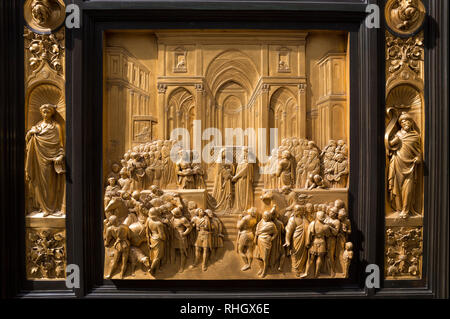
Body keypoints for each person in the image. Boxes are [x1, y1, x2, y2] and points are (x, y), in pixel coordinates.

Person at [25, 103, 65, 216]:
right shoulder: (37, 126)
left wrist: (60, 156)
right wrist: (30, 133)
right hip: (37, 159)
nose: (46, 114)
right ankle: (41, 207)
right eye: (44, 112)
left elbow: (61, 145)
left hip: (51, 159)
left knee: (49, 184)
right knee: (38, 183)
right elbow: (28, 141)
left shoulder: (56, 126)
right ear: (41, 113)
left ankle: (50, 208)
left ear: (52, 113)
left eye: (48, 111)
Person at [387, 112, 422, 218]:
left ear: (411, 122)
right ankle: (399, 208)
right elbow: (389, 145)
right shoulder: (398, 134)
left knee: (408, 187)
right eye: (402, 121)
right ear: (400, 124)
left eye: (407, 121)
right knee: (397, 187)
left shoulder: (415, 136)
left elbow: (418, 151)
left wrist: (419, 158)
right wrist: (393, 141)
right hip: (398, 162)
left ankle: (406, 210)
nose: (405, 123)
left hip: (410, 165)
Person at [284, 205, 309, 277]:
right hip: (297, 240)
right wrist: (287, 240)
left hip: (305, 240)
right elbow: (289, 230)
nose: (300, 211)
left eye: (300, 210)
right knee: (296, 254)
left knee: (303, 255)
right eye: (297, 210)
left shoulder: (304, 218)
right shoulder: (292, 219)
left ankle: (301, 269)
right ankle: (295, 270)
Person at [254, 210, 278, 278]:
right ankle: (261, 268)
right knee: (257, 256)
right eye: (263, 216)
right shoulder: (261, 222)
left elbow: (276, 233)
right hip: (259, 241)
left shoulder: (271, 224)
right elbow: (257, 230)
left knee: (265, 258)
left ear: (269, 217)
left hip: (266, 242)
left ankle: (265, 271)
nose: (264, 217)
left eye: (266, 216)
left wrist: (271, 238)